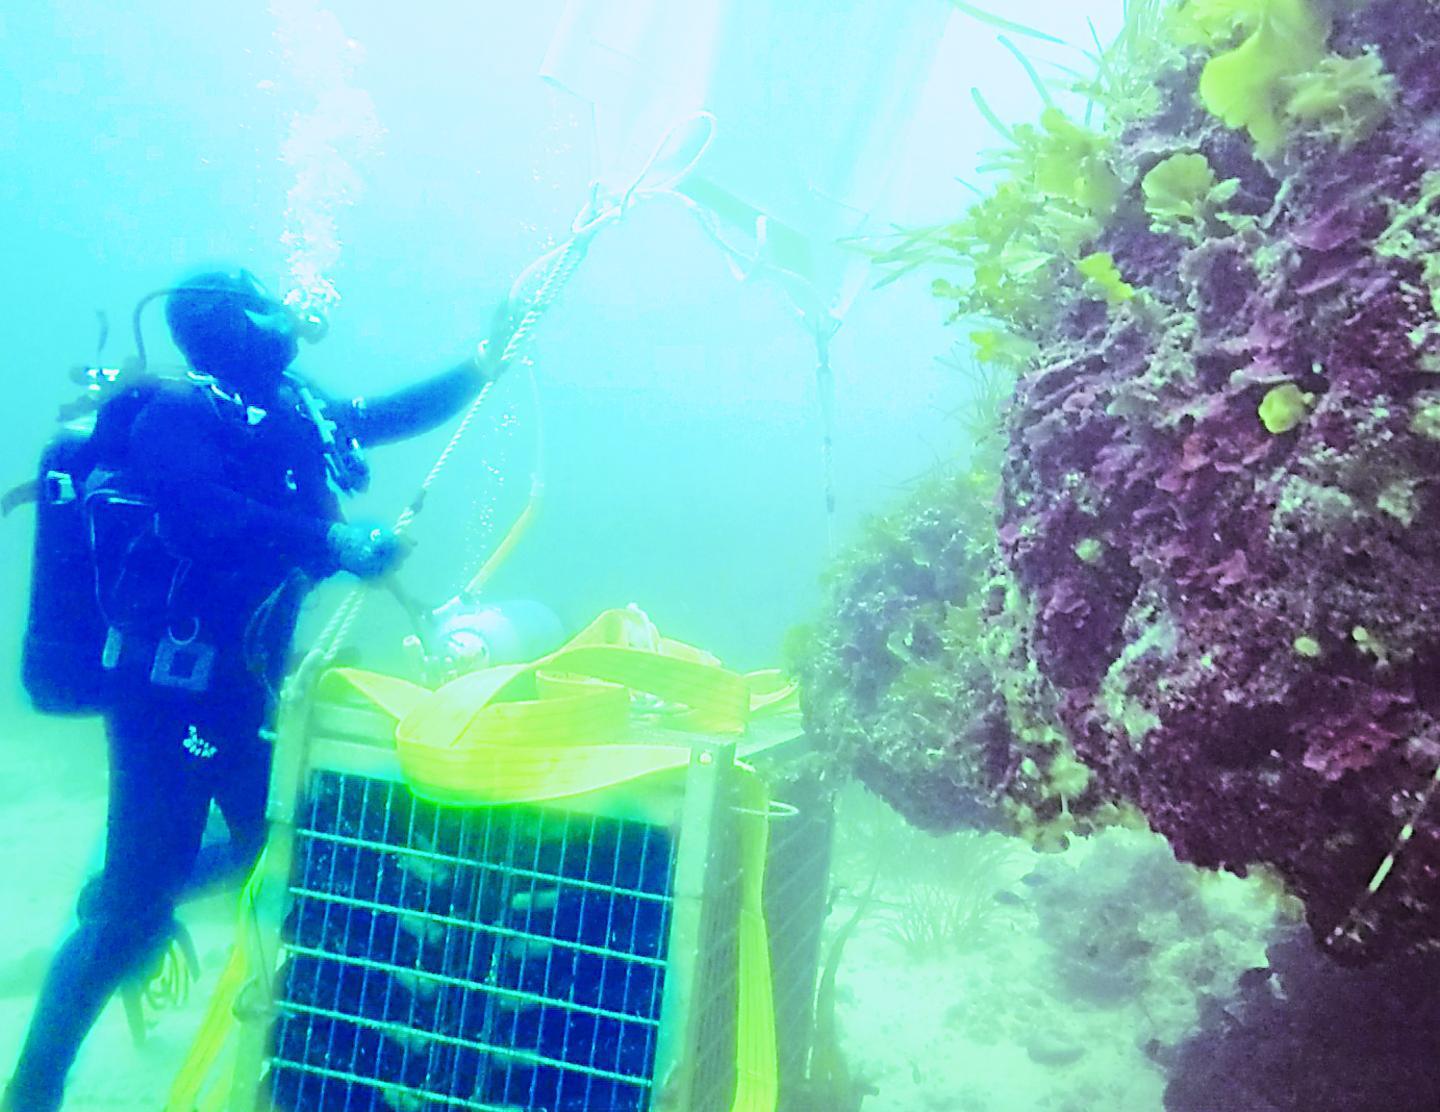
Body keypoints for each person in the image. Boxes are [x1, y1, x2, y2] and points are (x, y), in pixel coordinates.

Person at [3, 267, 502, 1112]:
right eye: (270, 304)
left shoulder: (291, 404)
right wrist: (333, 538)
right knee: (139, 912)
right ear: (229, 323)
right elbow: (199, 513)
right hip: (164, 702)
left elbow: (379, 419)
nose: (293, 316)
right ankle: (32, 1089)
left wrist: (481, 362)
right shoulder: (175, 413)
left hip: (245, 691)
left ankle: (333, 1059)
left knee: (288, 858)